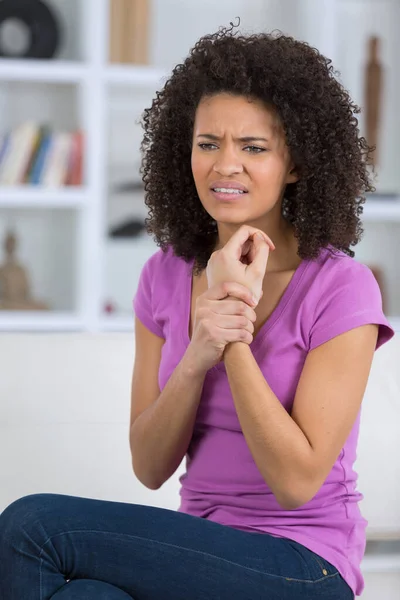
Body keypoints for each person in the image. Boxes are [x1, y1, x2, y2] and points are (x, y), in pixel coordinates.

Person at [0, 21, 395, 600]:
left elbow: (296, 482)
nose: (223, 165)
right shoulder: (163, 275)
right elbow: (151, 465)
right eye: (208, 143)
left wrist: (232, 327)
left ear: (298, 164)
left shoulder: (341, 287)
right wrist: (196, 355)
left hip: (303, 564)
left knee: (30, 528)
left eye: (253, 148)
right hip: (196, 551)